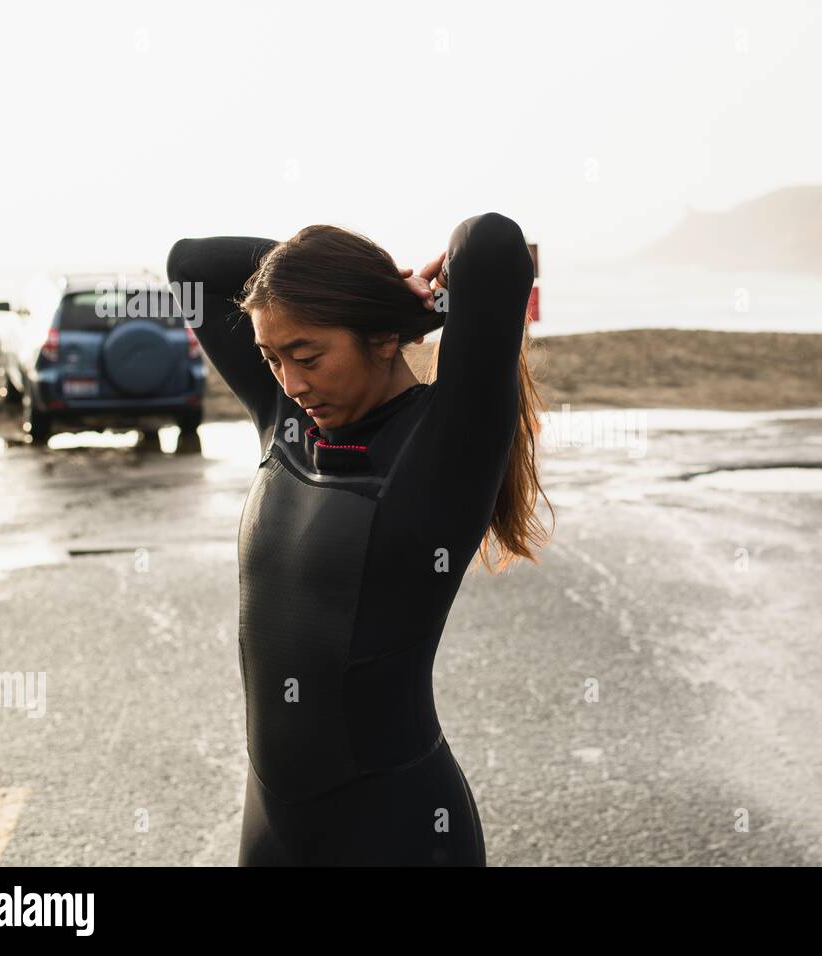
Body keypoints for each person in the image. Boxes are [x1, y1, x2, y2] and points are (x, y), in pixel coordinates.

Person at [165, 212, 551, 865]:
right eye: (271, 358)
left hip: (396, 828)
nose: (289, 381)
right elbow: (190, 263)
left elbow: (491, 246)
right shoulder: (289, 424)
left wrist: (406, 305)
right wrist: (315, 285)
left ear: (379, 335)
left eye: (307, 356)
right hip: (272, 828)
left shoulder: (444, 447)